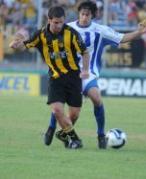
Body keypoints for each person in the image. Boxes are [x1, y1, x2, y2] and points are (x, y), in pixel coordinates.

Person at [44, 1, 146, 149]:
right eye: (82, 14)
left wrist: (139, 32)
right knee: (67, 110)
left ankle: (101, 135)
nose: (84, 17)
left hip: (89, 73)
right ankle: (52, 128)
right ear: (78, 14)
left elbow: (121, 38)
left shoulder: (100, 30)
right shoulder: (67, 28)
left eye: (87, 14)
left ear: (93, 16)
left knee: (96, 97)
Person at [10, 6, 90, 149]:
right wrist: (17, 45)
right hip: (55, 78)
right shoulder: (40, 35)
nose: (59, 25)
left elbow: (85, 52)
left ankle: (61, 133)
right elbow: (26, 45)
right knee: (58, 110)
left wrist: (85, 70)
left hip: (73, 77)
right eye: (55, 22)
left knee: (74, 114)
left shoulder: (71, 34)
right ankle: (75, 140)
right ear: (49, 20)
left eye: (61, 22)